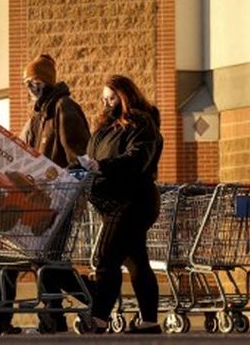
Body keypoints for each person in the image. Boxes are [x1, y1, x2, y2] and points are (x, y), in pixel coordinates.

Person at [0, 53, 91, 334]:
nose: (30, 88)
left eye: (34, 81)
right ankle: (48, 317)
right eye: (27, 83)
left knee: (38, 259)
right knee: (32, 259)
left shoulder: (64, 109)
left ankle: (75, 307)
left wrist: (74, 190)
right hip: (34, 200)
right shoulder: (38, 116)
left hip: (56, 200)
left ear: (46, 81)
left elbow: (79, 155)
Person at [80, 74, 163, 334]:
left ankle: (99, 318)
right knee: (136, 260)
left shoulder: (141, 123)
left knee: (105, 258)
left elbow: (137, 158)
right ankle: (149, 321)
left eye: (112, 98)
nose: (107, 104)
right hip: (111, 202)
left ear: (125, 96)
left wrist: (102, 166)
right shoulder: (105, 128)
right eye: (104, 99)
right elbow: (90, 158)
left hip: (132, 201)